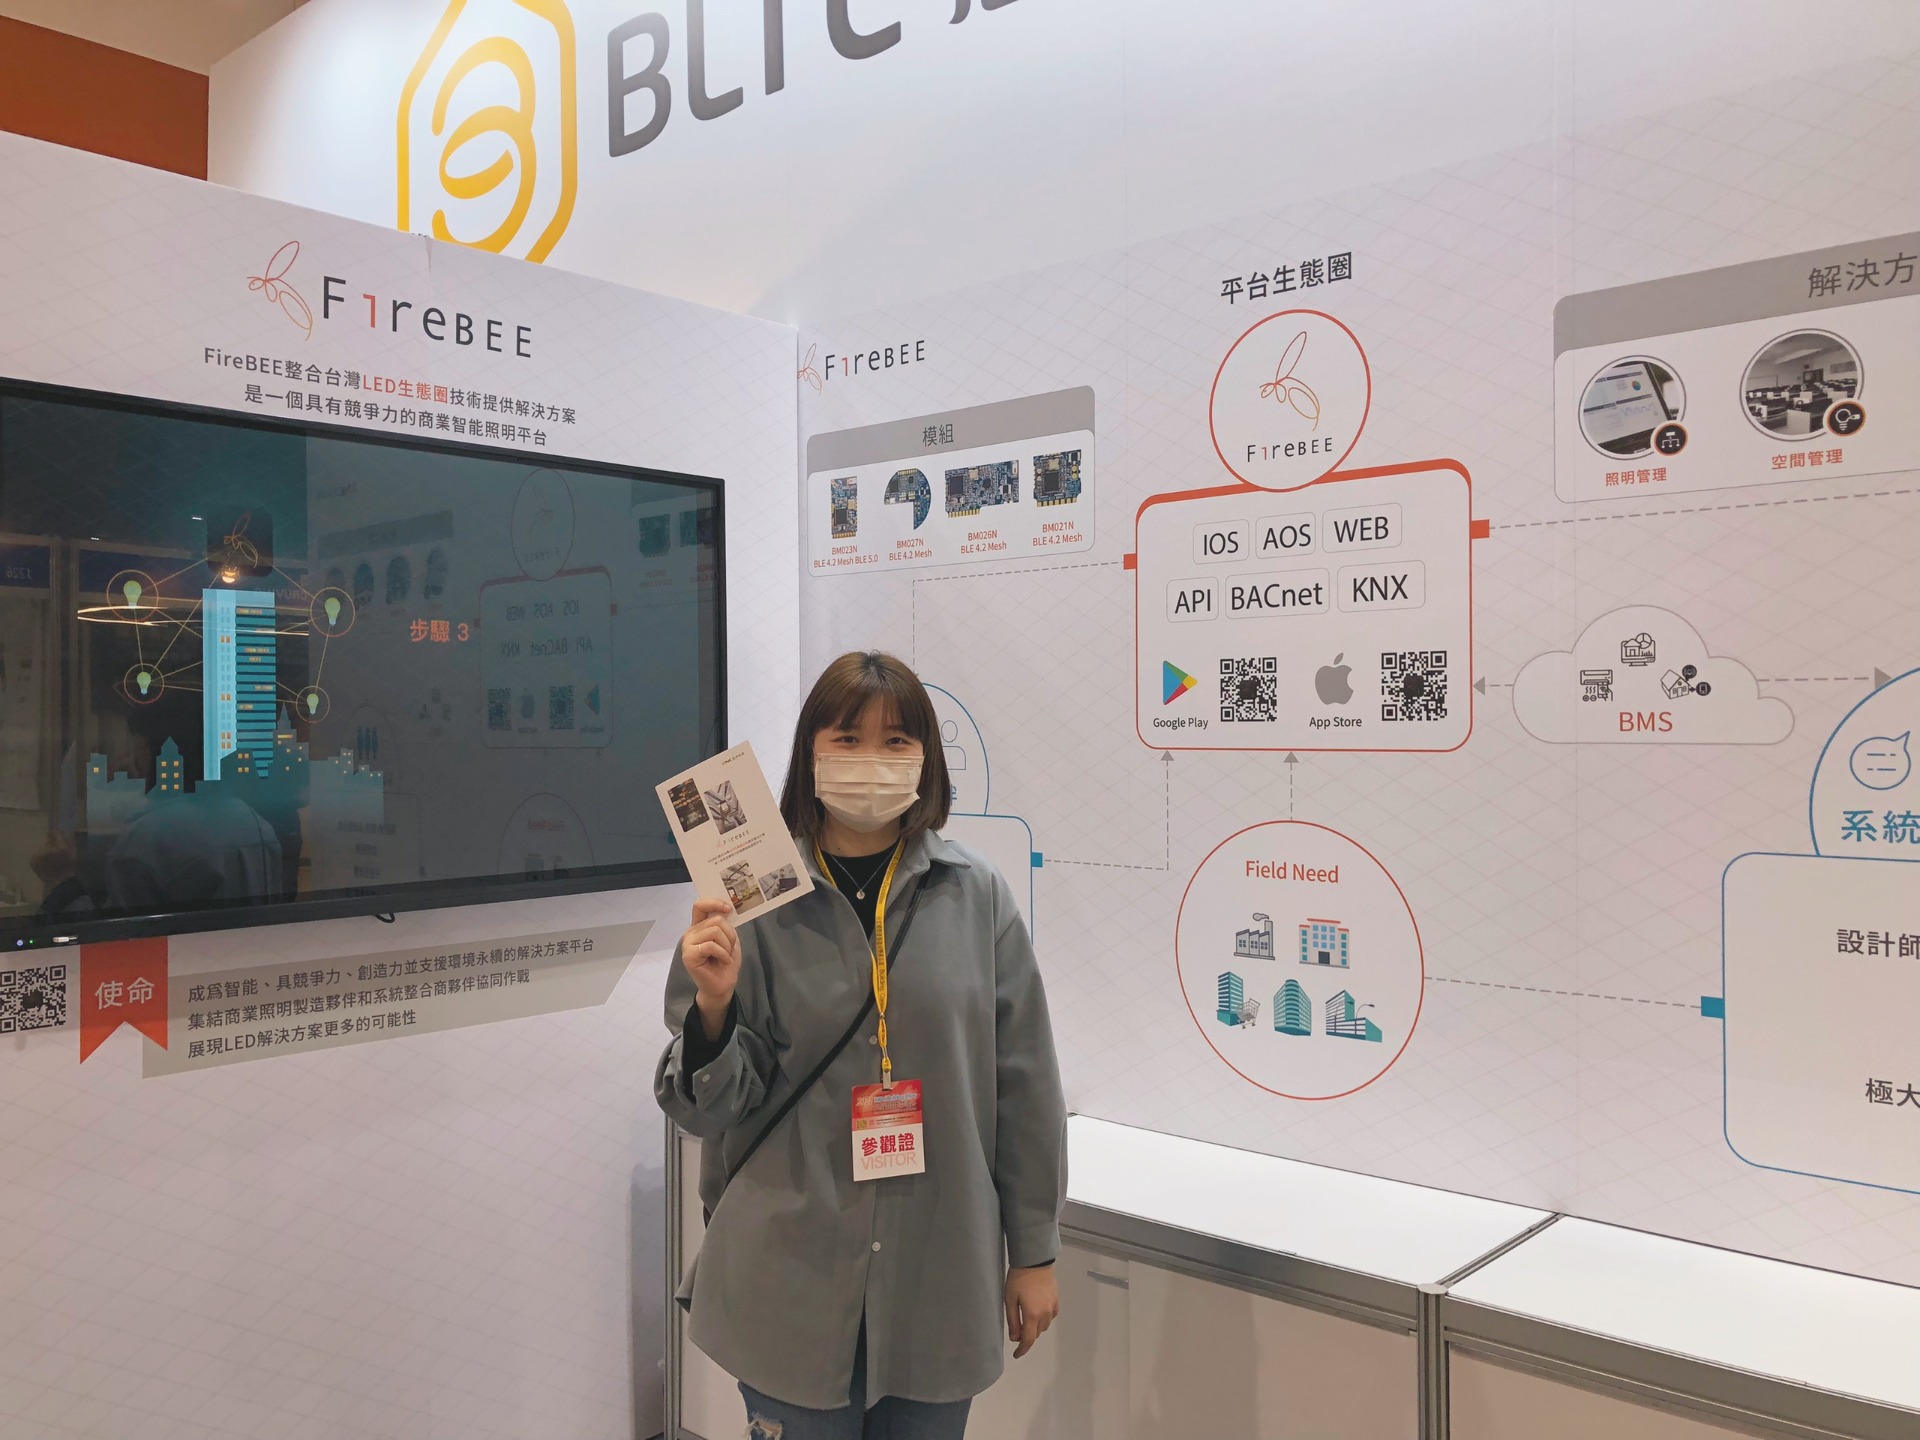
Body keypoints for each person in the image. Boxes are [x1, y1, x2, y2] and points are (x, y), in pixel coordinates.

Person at [656, 651, 1066, 1440]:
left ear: (926, 759)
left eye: (896, 741)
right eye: (847, 739)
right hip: (789, 1273)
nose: (871, 760)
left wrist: (1035, 1251)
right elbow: (705, 1110)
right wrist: (712, 1006)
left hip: (937, 1275)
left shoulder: (974, 894)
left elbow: (1025, 1083)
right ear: (810, 753)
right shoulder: (749, 899)